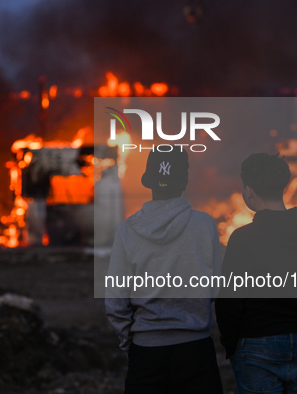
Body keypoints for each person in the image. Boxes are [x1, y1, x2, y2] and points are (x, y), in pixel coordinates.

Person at [215, 153, 297, 394]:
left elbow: (229, 302)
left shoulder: (242, 238)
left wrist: (231, 345)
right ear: (283, 185)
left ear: (249, 190)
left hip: (257, 343)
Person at [105, 147, 223, 394]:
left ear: (148, 181)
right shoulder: (204, 225)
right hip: (196, 351)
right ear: (184, 180)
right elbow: (217, 287)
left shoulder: (127, 230)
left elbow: (115, 302)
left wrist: (132, 343)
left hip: (146, 353)